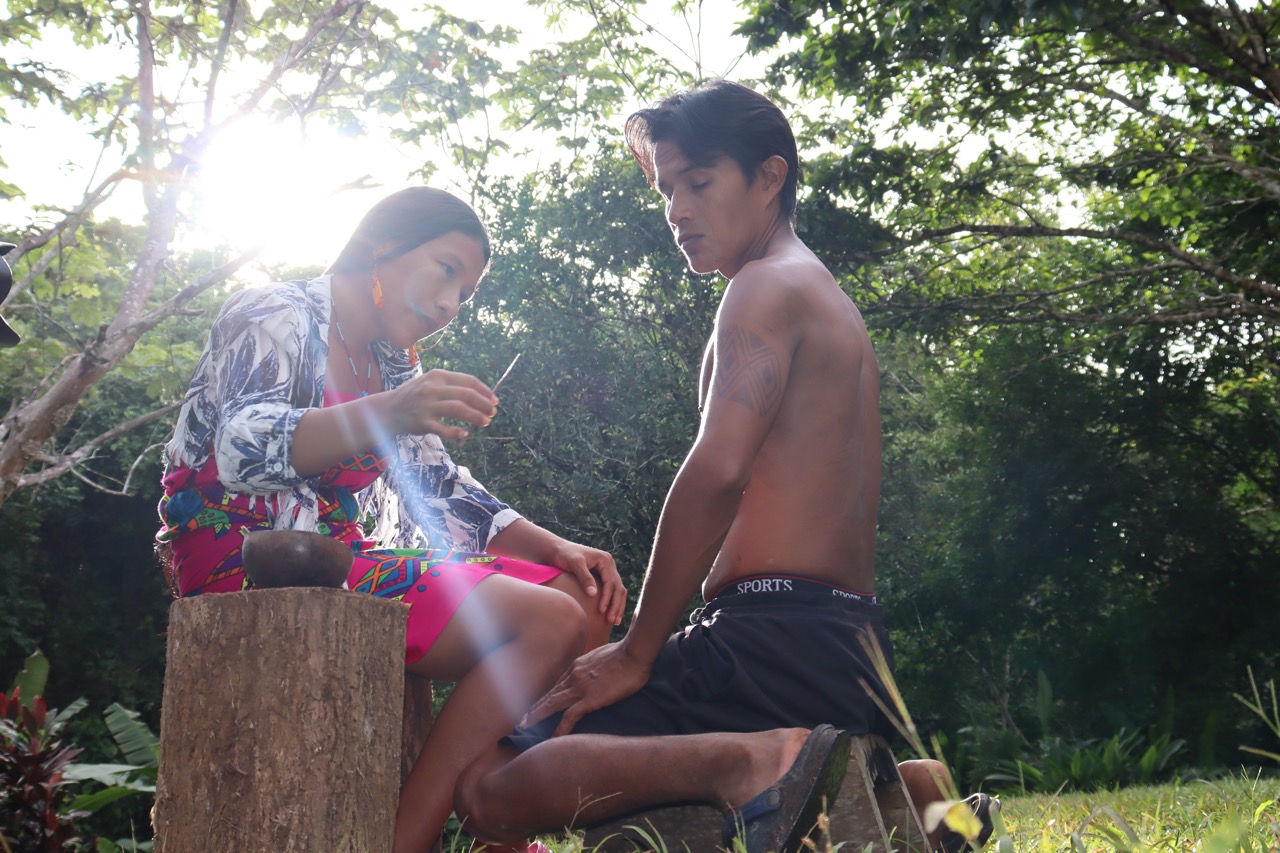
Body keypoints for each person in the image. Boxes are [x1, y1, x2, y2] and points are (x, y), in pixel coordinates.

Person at [452, 81, 997, 853]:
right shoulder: (818, 291)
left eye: (699, 183)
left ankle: (757, 759)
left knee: (489, 786)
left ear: (769, 177)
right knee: (665, 790)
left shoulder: (764, 286)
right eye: (668, 189)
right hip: (844, 648)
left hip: (766, 638)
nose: (677, 208)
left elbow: (718, 473)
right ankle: (924, 794)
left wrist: (640, 650)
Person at [155, 187, 626, 853]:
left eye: (465, 293)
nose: (449, 304)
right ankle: (408, 840)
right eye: (446, 270)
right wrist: (386, 411)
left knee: (584, 596)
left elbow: (438, 489)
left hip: (340, 558)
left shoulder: (389, 360)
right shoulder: (274, 313)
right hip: (246, 554)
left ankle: (497, 827)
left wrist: (561, 546)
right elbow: (241, 448)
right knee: (547, 619)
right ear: (382, 246)